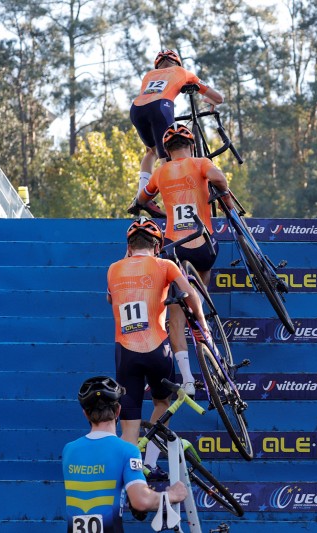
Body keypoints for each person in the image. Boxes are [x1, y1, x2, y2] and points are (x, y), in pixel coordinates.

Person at [133, 123, 233, 392]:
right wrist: (221, 196)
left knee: (174, 317)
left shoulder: (160, 172)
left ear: (167, 150)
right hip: (202, 246)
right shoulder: (200, 162)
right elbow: (221, 179)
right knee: (200, 301)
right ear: (190, 146)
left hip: (174, 247)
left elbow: (142, 198)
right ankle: (201, 314)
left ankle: (187, 379)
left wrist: (146, 203)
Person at [106, 217, 210, 479]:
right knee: (162, 402)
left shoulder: (113, 268)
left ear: (129, 247)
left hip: (125, 353)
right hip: (157, 349)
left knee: (128, 427)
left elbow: (110, 299)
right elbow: (190, 294)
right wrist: (203, 326)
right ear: (157, 246)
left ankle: (130, 483)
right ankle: (150, 463)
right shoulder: (165, 264)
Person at [62, 375, 187, 533]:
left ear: (85, 414)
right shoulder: (127, 450)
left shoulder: (69, 450)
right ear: (118, 411)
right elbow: (141, 501)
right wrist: (171, 495)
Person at [128, 49, 225, 218]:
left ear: (158, 65)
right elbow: (218, 98)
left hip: (137, 109)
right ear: (177, 63)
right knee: (169, 161)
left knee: (151, 152)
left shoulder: (150, 75)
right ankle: (175, 206)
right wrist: (208, 100)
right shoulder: (184, 72)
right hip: (160, 108)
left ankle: (141, 196)